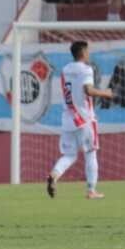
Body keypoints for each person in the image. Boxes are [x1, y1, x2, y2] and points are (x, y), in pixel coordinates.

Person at [46, 41, 114, 200]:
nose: (89, 53)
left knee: (70, 155)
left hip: (68, 118)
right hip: (85, 118)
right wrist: (106, 93)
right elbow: (88, 90)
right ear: (83, 52)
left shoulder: (65, 70)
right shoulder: (86, 69)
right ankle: (91, 190)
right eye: (88, 50)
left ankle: (54, 174)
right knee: (91, 153)